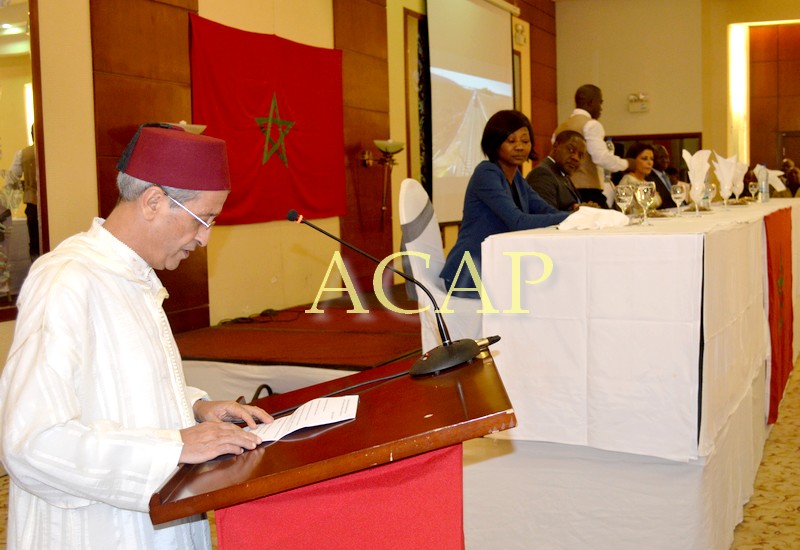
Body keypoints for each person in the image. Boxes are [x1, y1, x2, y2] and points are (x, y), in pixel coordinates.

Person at [0, 123, 273, 549]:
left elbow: (121, 393)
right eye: (205, 219)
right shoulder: (66, 280)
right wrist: (173, 446)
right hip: (95, 532)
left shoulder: (135, 277)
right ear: (153, 201)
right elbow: (32, 443)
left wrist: (196, 408)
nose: (205, 238)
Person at [440, 110, 570, 296]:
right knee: (542, 292)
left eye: (525, 141)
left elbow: (546, 210)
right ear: (495, 143)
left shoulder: (516, 177)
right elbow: (518, 221)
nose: (519, 147)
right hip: (470, 273)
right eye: (511, 141)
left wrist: (578, 216)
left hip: (497, 269)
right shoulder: (486, 173)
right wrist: (573, 217)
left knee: (552, 285)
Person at [552, 84, 633, 208]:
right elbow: (600, 157)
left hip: (564, 190)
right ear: (590, 102)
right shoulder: (591, 125)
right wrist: (627, 164)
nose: (601, 108)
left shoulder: (560, 128)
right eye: (600, 103)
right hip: (588, 191)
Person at [525, 129, 587, 211]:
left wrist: (587, 210)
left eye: (580, 155)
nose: (576, 158)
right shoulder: (542, 174)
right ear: (555, 146)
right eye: (571, 150)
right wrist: (580, 212)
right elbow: (546, 216)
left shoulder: (562, 174)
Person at [7, 124, 39, 259]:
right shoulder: (55, 152)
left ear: (32, 135)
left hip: (32, 203)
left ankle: (35, 268)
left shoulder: (23, 154)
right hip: (54, 204)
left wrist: (26, 185)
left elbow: (11, 180)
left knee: (35, 243)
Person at [618, 142, 662, 212]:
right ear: (633, 160)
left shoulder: (645, 182)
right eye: (644, 159)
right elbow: (629, 209)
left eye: (651, 159)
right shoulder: (628, 181)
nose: (649, 163)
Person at [645, 144, 676, 209]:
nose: (665, 160)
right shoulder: (648, 177)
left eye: (667, 157)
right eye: (661, 157)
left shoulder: (667, 176)